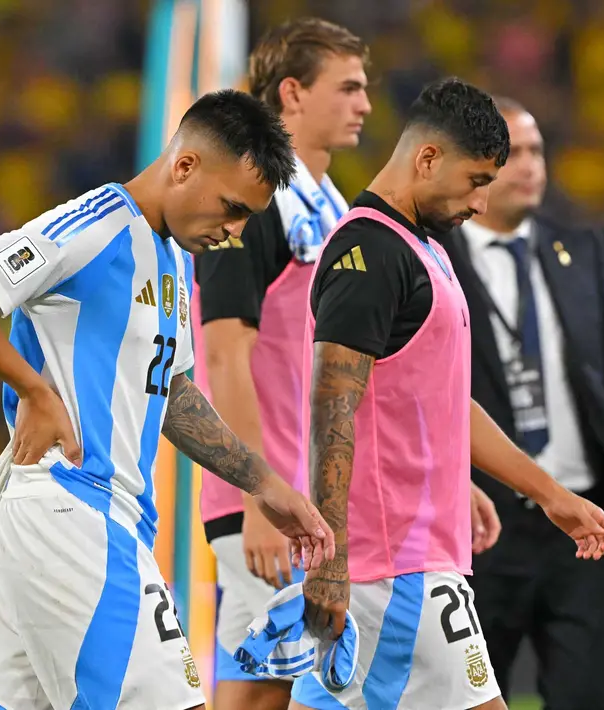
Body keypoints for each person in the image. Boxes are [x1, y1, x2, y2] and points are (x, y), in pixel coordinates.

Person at [0, 89, 333, 710]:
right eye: (232, 208)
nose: (236, 231)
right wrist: (36, 387)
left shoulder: (167, 259)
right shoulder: (98, 222)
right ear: (184, 166)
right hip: (74, 507)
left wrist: (264, 484)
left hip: (76, 518)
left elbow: (175, 393)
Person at [295, 78, 604, 710]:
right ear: (427, 159)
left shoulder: (422, 249)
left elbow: (444, 401)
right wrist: (329, 558)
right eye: (476, 180)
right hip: (391, 566)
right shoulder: (369, 253)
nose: (482, 199)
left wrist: (549, 495)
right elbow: (332, 404)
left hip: (416, 556)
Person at [435, 99, 604, 710]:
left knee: (593, 693)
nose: (530, 167)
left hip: (579, 520)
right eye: (514, 153)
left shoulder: (579, 250)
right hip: (483, 525)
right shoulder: (435, 257)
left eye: (538, 152)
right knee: (466, 696)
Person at [190, 21, 369, 710]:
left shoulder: (333, 211)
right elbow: (225, 356)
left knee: (272, 690)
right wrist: (256, 497)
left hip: (308, 499)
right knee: (260, 691)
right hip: (266, 501)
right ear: (291, 93)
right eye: (347, 87)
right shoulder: (255, 204)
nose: (363, 105)